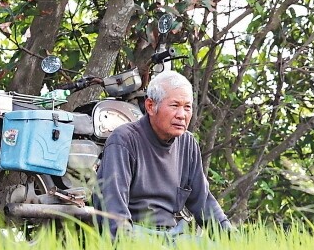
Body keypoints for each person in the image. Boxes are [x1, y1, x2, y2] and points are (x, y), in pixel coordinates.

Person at [95, 71, 232, 237]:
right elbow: (114, 215)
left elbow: (204, 202)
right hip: (135, 235)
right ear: (151, 106)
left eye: (187, 107)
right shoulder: (123, 140)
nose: (182, 115)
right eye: (174, 106)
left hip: (172, 235)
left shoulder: (187, 143)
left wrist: (233, 240)